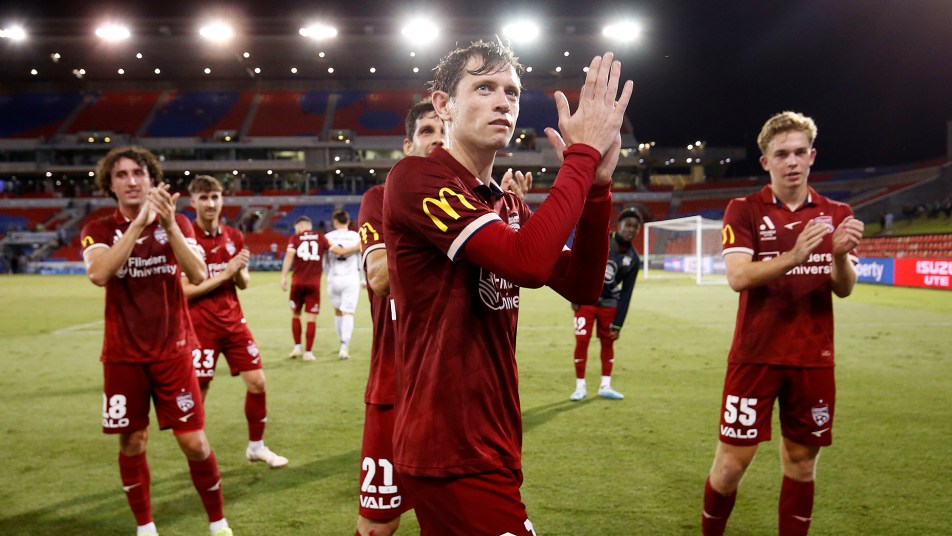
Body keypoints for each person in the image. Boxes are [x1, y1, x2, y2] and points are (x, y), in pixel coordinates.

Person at [383, 41, 631, 533]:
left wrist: (599, 189)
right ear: (443, 105)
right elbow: (527, 264)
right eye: (484, 88)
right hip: (448, 442)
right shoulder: (416, 178)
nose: (504, 102)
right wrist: (579, 159)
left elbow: (582, 285)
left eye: (512, 92)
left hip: (493, 434)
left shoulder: (506, 205)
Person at [354, 99, 532, 536]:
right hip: (395, 385)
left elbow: (515, 266)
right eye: (427, 132)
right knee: (379, 525)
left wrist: (499, 225)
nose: (437, 139)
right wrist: (449, 233)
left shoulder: (479, 202)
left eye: (442, 130)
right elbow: (378, 277)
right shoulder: (381, 197)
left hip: (460, 394)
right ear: (408, 144)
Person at [701, 111, 864, 536]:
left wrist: (841, 255)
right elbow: (738, 277)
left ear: (812, 156)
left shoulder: (836, 212)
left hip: (813, 359)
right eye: (781, 154)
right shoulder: (744, 210)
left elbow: (844, 289)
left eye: (799, 153)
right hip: (755, 357)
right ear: (765, 162)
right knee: (731, 465)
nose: (791, 161)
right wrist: (795, 256)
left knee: (802, 463)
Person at [80, 146, 234, 536]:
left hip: (173, 349)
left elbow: (198, 274)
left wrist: (166, 225)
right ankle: (145, 526)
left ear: (152, 179)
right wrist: (136, 226)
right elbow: (99, 273)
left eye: (139, 173)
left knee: (195, 443)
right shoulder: (97, 228)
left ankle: (218, 522)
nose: (132, 180)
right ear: (110, 184)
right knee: (132, 440)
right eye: (122, 174)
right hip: (122, 355)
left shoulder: (178, 222)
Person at [183, 175, 288, 469]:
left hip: (233, 322)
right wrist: (226, 273)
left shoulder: (233, 235)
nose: (210, 203)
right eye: (203, 198)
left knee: (257, 383)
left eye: (215, 197)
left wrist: (239, 270)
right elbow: (184, 291)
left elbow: (242, 283)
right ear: (193, 203)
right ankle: (198, 455)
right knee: (199, 393)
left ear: (222, 200)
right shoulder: (184, 239)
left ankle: (256, 447)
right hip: (200, 327)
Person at [569, 206, 643, 401]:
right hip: (586, 301)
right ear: (619, 225)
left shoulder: (634, 259)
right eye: (628, 225)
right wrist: (574, 295)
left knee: (608, 343)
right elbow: (580, 261)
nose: (631, 229)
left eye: (636, 227)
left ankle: (605, 385)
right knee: (582, 342)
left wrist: (619, 324)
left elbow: (626, 294)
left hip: (609, 305)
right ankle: (580, 387)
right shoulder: (603, 239)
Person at [281, 215, 355, 361]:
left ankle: (297, 348)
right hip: (314, 284)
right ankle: (308, 353)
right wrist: (358, 246)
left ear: (301, 226)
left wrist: (283, 276)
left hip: (297, 282)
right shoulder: (320, 237)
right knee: (311, 318)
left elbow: (289, 257)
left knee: (296, 314)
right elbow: (339, 252)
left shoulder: (295, 239)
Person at [323, 208, 362, 359]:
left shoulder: (327, 237)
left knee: (338, 311)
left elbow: (324, 261)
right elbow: (360, 256)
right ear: (348, 221)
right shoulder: (356, 236)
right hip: (351, 277)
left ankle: (341, 341)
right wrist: (364, 278)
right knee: (348, 312)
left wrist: (327, 276)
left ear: (334, 221)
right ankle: (344, 347)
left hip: (333, 277)